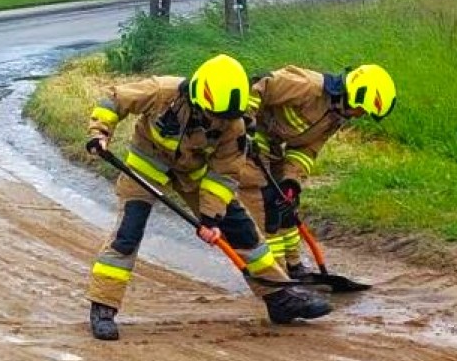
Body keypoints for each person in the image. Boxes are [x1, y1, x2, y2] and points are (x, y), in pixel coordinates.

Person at [83, 53, 331, 341]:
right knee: (127, 234)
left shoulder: (234, 126)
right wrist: (100, 133)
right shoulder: (163, 91)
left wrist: (211, 219)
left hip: (195, 173)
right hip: (146, 166)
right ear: (200, 97)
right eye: (215, 117)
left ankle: (280, 299)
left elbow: (224, 173)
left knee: (243, 232)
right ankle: (103, 306)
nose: (220, 123)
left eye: (226, 119)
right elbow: (114, 100)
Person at [238, 64, 397, 278]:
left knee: (285, 204)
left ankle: (294, 266)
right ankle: (275, 271)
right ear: (354, 96)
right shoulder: (308, 86)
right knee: (265, 202)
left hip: (273, 145)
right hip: (252, 136)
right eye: (362, 110)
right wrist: (244, 124)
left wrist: (291, 181)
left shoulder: (335, 116)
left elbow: (307, 150)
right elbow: (259, 84)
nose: (359, 116)